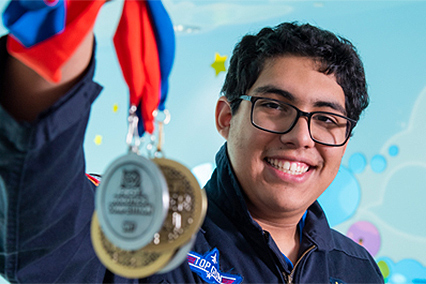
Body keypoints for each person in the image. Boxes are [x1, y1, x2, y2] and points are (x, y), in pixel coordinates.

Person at [0, 20, 384, 283]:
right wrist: (53, 50)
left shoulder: (355, 267)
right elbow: (45, 233)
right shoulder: (145, 237)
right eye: (275, 106)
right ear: (226, 117)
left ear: (345, 139)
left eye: (327, 119)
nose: (301, 137)